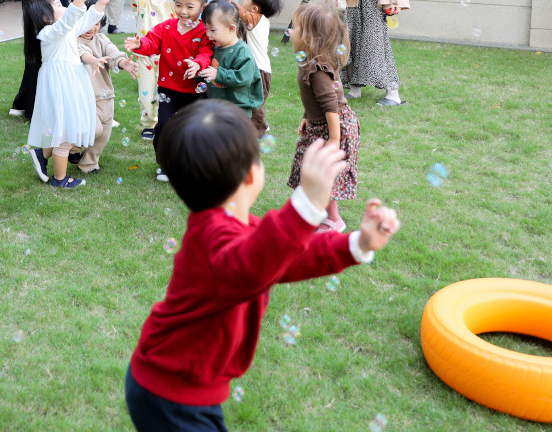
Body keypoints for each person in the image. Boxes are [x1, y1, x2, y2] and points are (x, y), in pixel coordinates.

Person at [124, 100, 400, 432]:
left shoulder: (236, 227)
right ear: (251, 174)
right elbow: (259, 261)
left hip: (182, 386)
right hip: (170, 394)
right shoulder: (214, 240)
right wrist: (307, 204)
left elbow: (291, 255)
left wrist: (358, 244)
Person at [25, 0, 117, 188]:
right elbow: (67, 22)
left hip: (71, 84)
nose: (64, 6)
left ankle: (42, 154)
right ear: (45, 18)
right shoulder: (48, 33)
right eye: (58, 5)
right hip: (61, 87)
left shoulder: (66, 29)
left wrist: (100, 3)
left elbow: (85, 21)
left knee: (67, 128)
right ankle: (60, 179)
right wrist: (79, 0)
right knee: (66, 135)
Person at [123, 0, 214, 180]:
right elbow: (152, 43)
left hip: (195, 93)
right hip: (168, 91)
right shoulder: (166, 27)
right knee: (164, 126)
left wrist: (198, 64)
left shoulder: (204, 32)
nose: (183, 11)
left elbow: (207, 52)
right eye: (178, 4)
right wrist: (140, 44)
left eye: (190, 6)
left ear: (203, 7)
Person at [288, 0, 359, 232]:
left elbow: (330, 106)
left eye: (295, 27)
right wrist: (307, 116)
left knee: (321, 172)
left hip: (333, 126)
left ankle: (333, 219)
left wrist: (334, 140)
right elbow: (316, 100)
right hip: (322, 124)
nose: (290, 31)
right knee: (317, 171)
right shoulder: (310, 62)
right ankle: (325, 215)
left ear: (309, 38)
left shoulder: (317, 70)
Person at [75, 2, 139, 175]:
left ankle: (89, 164)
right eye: (88, 22)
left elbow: (113, 53)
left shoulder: (102, 39)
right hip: (86, 96)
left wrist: (122, 62)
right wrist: (94, 60)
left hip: (106, 95)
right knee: (94, 130)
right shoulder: (73, 41)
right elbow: (82, 53)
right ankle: (71, 149)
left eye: (96, 23)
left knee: (104, 134)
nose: (92, 28)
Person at [215, 0, 281, 137]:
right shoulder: (257, 21)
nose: (243, 0)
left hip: (259, 70)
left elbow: (241, 13)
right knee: (245, 99)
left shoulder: (257, 20)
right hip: (251, 68)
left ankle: (259, 129)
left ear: (255, 8)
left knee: (254, 102)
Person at [128, 0, 180, 139]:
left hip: (169, 56)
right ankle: (149, 124)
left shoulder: (173, 2)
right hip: (146, 57)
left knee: (169, 94)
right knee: (146, 95)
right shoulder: (142, 1)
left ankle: (167, 122)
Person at [197, 0, 264, 119]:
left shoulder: (241, 51)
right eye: (206, 29)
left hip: (237, 110)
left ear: (231, 29)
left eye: (212, 30)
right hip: (216, 107)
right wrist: (197, 70)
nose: (208, 34)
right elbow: (208, 72)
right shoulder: (213, 48)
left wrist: (218, 74)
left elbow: (244, 78)